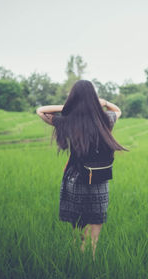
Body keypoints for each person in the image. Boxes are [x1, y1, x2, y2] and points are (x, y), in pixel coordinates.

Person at [36, 80, 126, 258]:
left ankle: (77, 264)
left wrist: (70, 106)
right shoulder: (105, 119)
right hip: (99, 179)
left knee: (78, 233)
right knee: (93, 236)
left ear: (73, 98)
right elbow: (118, 110)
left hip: (76, 179)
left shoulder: (67, 121)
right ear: (94, 98)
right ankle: (89, 262)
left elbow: (41, 111)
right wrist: (105, 102)